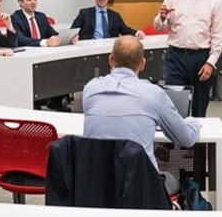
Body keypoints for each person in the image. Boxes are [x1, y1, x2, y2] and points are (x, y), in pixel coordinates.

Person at [83, 36, 200, 195]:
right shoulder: (154, 94)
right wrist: (192, 122)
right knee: (177, 180)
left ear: (111, 60)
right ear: (143, 63)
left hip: (95, 184)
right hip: (140, 187)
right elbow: (186, 139)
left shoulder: (91, 89)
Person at [153, 0, 222, 117]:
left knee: (199, 108)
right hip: (176, 56)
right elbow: (158, 27)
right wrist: (162, 17)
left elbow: (217, 37)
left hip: (201, 58)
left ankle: (196, 142)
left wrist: (210, 63)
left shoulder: (214, 1)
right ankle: (175, 141)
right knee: (175, 106)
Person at [70, 0, 144, 43]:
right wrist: (74, 37)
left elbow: (125, 30)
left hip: (110, 48)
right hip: (90, 48)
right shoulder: (84, 14)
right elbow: (72, 31)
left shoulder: (115, 16)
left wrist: (136, 33)